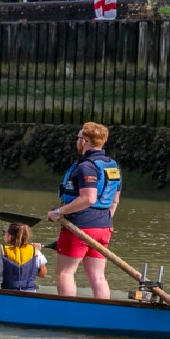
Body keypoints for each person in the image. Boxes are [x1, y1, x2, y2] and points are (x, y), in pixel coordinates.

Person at [46, 121, 122, 299]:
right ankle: (102, 314)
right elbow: (115, 201)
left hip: (79, 226)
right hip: (104, 226)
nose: (77, 141)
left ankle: (67, 313)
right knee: (98, 277)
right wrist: (103, 220)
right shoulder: (113, 166)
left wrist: (58, 213)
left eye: (78, 137)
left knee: (65, 273)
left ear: (85, 141)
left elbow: (88, 198)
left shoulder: (86, 166)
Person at [1, 223, 47, 291]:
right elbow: (42, 274)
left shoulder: (2, 250)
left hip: (7, 292)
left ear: (9, 236)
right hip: (29, 292)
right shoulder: (35, 252)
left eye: (5, 233)